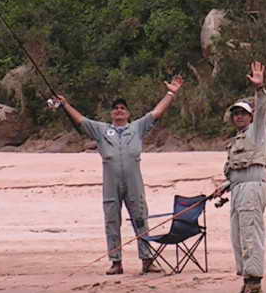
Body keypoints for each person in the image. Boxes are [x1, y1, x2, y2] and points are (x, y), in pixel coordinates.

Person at [56, 75, 183, 275]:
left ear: (128, 113)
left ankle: (147, 260)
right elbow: (80, 120)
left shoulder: (137, 128)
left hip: (134, 182)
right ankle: (116, 261)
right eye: (115, 108)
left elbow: (157, 112)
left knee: (140, 218)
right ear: (111, 114)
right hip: (111, 184)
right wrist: (65, 105)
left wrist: (171, 93)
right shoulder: (102, 131)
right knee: (112, 221)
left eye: (122, 108)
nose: (119, 110)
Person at [220, 61, 266, 293]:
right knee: (238, 236)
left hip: (252, 188)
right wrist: (224, 187)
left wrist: (259, 89)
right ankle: (247, 282)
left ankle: (255, 286)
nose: (239, 117)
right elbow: (235, 171)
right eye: (236, 114)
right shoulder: (236, 140)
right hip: (238, 189)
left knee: (251, 234)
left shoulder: (256, 131)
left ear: (250, 116)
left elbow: (263, 109)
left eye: (243, 113)